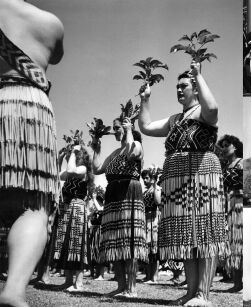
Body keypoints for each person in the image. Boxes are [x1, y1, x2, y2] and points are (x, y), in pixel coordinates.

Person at [138, 61, 229, 306]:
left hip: (202, 175)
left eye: (184, 86)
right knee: (186, 236)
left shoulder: (203, 113)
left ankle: (203, 294)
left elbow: (213, 107)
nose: (179, 90)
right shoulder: (174, 119)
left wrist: (199, 75)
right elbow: (145, 127)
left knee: (205, 232)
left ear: (196, 88)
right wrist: (145, 99)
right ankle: (191, 291)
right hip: (178, 181)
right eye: (177, 86)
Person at [0, 1, 63, 306]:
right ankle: (13, 290)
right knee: (33, 207)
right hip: (32, 107)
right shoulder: (50, 23)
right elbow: (58, 55)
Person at [91, 117, 146, 297]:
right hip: (113, 195)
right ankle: (121, 286)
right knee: (116, 241)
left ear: (125, 126)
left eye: (117, 128)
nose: (114, 131)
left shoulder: (136, 143)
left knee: (128, 242)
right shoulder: (114, 152)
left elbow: (132, 154)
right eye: (114, 128)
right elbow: (98, 168)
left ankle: (131, 288)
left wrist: (130, 130)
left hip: (129, 192)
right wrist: (96, 149)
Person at [53, 145, 91, 292]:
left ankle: (79, 283)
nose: (71, 157)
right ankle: (68, 281)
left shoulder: (83, 170)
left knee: (77, 245)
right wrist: (61, 157)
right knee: (66, 243)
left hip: (77, 207)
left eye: (73, 155)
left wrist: (74, 152)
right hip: (67, 208)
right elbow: (56, 174)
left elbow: (70, 170)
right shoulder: (71, 169)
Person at [218, 135, 243, 292]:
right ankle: (237, 283)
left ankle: (240, 283)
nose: (224, 148)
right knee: (233, 244)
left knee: (241, 242)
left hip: (240, 205)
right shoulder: (226, 166)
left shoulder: (242, 163)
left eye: (227, 145)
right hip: (229, 205)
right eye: (223, 145)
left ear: (234, 147)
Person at [141, 168, 161, 284]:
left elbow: (158, 202)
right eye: (143, 178)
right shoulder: (145, 191)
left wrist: (155, 185)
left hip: (153, 219)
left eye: (147, 177)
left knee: (154, 248)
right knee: (148, 249)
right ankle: (148, 276)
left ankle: (154, 277)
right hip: (146, 219)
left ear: (152, 178)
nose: (144, 180)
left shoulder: (156, 189)